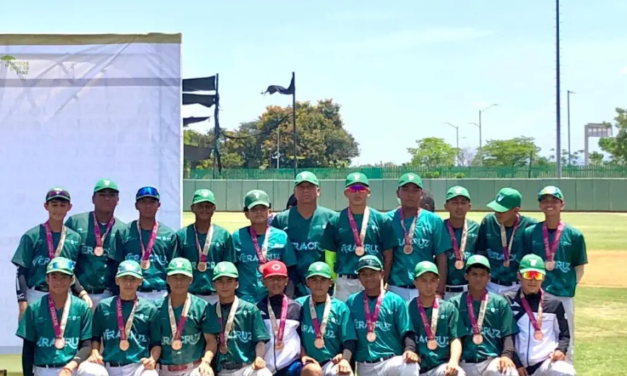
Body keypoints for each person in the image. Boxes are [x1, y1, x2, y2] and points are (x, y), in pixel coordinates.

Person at [522, 186, 587, 364]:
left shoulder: (574, 235)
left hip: (563, 294)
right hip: (538, 294)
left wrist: (569, 285)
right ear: (540, 205)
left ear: (562, 204)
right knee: (537, 336)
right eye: (544, 200)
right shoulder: (530, 233)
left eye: (554, 200)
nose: (549, 204)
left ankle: (566, 370)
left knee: (567, 337)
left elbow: (579, 266)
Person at [322, 173, 396, 302]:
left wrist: (383, 280)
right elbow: (330, 255)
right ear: (346, 193)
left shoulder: (381, 220)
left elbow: (388, 254)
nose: (357, 194)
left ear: (368, 192)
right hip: (345, 281)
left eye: (361, 189)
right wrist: (333, 279)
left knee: (372, 318)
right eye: (353, 189)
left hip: (372, 279)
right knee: (344, 317)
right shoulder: (336, 221)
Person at [78, 261, 160, 376]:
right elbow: (95, 337)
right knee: (89, 370)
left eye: (133, 279)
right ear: (117, 280)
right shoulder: (103, 306)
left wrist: (153, 359)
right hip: (109, 366)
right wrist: (95, 352)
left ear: (140, 281)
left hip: (137, 367)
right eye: (124, 278)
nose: (128, 283)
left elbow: (156, 342)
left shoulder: (149, 309)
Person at [12, 187, 83, 318]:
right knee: (35, 337)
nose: (58, 209)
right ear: (46, 206)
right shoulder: (32, 236)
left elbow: (74, 272)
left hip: (66, 295)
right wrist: (22, 303)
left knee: (63, 336)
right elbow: (21, 272)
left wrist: (81, 293)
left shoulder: (75, 238)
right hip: (37, 294)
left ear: (69, 207)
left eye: (63, 205)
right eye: (54, 205)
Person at [345, 256, 420, 376]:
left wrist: (409, 350)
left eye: (373, 273)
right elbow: (348, 337)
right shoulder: (352, 301)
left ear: (382, 273)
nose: (369, 278)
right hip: (364, 365)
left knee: (410, 365)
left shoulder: (395, 300)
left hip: (390, 362)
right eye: (364, 274)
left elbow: (407, 332)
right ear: (359, 277)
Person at [17, 257, 93, 376]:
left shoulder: (82, 308)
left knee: (94, 372)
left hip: (72, 368)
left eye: (64, 278)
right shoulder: (34, 308)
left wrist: (69, 367)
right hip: (43, 369)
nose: (59, 282)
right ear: (47, 279)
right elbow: (28, 349)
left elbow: (87, 346)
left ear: (72, 280)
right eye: (54, 277)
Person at [505, 255, 576, 376]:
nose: (533, 280)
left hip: (544, 364)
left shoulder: (554, 304)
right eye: (528, 275)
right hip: (515, 364)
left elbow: (564, 334)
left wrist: (560, 350)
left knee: (566, 371)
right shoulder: (507, 300)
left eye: (537, 275)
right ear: (519, 276)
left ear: (543, 277)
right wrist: (517, 363)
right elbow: (505, 335)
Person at [449, 255, 518, 376]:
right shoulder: (454, 303)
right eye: (474, 274)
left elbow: (508, 334)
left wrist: (506, 356)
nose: (478, 279)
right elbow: (452, 336)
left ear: (489, 278)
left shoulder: (500, 302)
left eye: (482, 275)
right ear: (466, 276)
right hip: (462, 362)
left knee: (509, 372)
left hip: (490, 361)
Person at [272, 171, 337, 297]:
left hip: (322, 281)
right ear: (295, 191)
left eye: (310, 187)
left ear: (318, 191)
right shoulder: (281, 219)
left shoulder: (331, 218)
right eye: (301, 187)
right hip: (291, 283)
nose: (305, 190)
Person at [387, 173, 451, 301]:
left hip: (424, 289)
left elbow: (441, 257)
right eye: (405, 190)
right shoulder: (387, 220)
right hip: (395, 288)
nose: (410, 195)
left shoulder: (433, 221)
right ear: (397, 193)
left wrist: (439, 291)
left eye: (415, 190)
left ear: (421, 194)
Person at [65, 179, 126, 310]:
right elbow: (66, 262)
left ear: (118, 200)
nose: (107, 199)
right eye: (102, 194)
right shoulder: (75, 223)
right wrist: (79, 291)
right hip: (78, 294)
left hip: (108, 296)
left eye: (111, 195)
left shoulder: (122, 229)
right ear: (93, 199)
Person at [206, 261, 273, 376]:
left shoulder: (251, 310)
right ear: (214, 285)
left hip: (247, 368)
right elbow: (209, 342)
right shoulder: (210, 311)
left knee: (263, 373)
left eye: (229, 281)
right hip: (223, 370)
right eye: (220, 281)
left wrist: (259, 357)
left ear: (236, 284)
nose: (225, 285)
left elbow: (260, 341)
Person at [114, 186, 178, 303]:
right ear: (136, 205)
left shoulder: (169, 235)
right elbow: (116, 265)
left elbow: (172, 269)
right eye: (143, 201)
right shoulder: (124, 232)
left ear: (158, 205)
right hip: (132, 293)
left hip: (161, 294)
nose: (147, 206)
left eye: (152, 202)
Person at [232, 189, 298, 303]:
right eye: (254, 209)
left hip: (274, 298)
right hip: (245, 299)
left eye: (262, 208)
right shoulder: (237, 237)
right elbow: (232, 269)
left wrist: (288, 297)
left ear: (270, 211)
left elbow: (290, 269)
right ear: (246, 214)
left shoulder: (281, 236)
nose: (259, 212)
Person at [154, 258, 216, 376]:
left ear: (191, 279)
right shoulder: (156, 308)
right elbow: (153, 342)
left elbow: (211, 341)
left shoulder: (202, 307)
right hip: (164, 369)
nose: (179, 282)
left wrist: (206, 362)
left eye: (183, 278)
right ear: (167, 279)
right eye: (174, 277)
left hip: (194, 368)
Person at [176, 189, 236, 305]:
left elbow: (230, 267)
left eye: (208, 206)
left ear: (214, 208)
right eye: (200, 206)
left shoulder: (223, 235)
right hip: (190, 295)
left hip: (216, 296)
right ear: (192, 208)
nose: (204, 209)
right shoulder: (182, 235)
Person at [297, 262, 356, 376]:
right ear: (307, 282)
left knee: (344, 373)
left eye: (323, 280)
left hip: (331, 361)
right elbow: (293, 335)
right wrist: (302, 355)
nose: (318, 284)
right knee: (312, 371)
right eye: (314, 279)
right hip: (307, 362)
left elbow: (349, 339)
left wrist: (344, 358)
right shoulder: (299, 305)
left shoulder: (340, 307)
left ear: (330, 282)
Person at [409, 261, 465, 376]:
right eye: (423, 280)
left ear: (438, 282)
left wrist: (453, 362)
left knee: (458, 373)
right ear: (415, 282)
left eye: (432, 280)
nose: (428, 285)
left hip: (440, 367)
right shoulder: (408, 308)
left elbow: (455, 338)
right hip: (415, 366)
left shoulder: (449, 308)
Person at [477, 188, 537, 296]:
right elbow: (480, 252)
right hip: (491, 285)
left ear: (516, 210)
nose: (497, 213)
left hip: (517, 286)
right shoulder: (489, 222)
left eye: (502, 210)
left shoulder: (529, 225)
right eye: (496, 208)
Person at [257, 261, 303, 376]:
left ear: (286, 281)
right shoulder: (257, 308)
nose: (276, 282)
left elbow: (303, 336)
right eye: (271, 278)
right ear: (263, 282)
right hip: (264, 366)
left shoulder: (296, 307)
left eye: (280, 278)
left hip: (290, 365)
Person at [443, 186, 480, 300]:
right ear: (446, 206)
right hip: (445, 290)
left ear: (469, 207)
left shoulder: (476, 228)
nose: (459, 207)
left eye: (463, 203)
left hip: (470, 291)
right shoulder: (440, 227)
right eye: (454, 203)